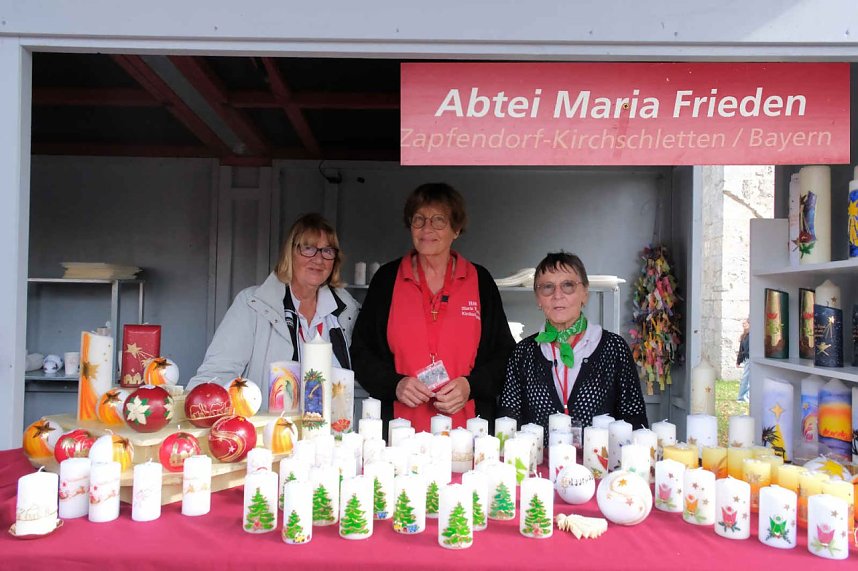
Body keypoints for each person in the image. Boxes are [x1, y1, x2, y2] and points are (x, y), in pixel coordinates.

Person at [351, 183, 515, 432]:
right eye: (419, 220)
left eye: (439, 220)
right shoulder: (387, 279)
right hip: (399, 430)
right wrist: (395, 384)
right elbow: (362, 352)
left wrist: (471, 386)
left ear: (456, 229)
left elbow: (504, 355)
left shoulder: (479, 280)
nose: (427, 229)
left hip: (469, 429)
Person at [188, 213, 359, 398]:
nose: (318, 259)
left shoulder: (345, 309)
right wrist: (199, 405)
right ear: (290, 253)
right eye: (308, 248)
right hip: (271, 425)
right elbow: (218, 372)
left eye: (327, 251)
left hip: (332, 425)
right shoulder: (253, 304)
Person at [499, 252, 648, 438]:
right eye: (547, 287)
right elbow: (508, 419)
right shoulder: (523, 353)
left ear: (584, 294)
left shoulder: (614, 348)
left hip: (598, 465)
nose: (557, 295)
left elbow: (634, 418)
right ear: (538, 298)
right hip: (538, 465)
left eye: (568, 286)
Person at [736, 318, 750, 402]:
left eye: (745, 323)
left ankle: (745, 397)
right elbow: (741, 349)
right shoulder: (744, 336)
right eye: (743, 324)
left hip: (750, 358)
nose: (743, 325)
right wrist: (738, 361)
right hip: (747, 359)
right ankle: (741, 397)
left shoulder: (752, 335)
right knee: (746, 378)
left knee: (749, 379)